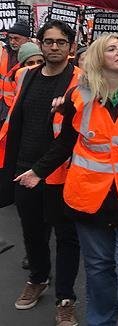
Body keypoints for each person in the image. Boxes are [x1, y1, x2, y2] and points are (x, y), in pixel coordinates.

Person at [16, 34, 118, 326]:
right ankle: (102, 321)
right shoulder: (80, 95)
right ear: (99, 57)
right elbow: (66, 143)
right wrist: (39, 171)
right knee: (98, 268)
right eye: (111, 49)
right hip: (89, 197)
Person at [2, 21, 81, 324]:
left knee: (66, 236)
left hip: (63, 171)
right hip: (25, 169)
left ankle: (65, 297)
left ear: (71, 47)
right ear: (41, 43)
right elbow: (15, 120)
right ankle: (38, 277)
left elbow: (77, 132)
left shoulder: (80, 80)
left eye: (61, 42)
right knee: (32, 231)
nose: (54, 47)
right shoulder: (26, 76)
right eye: (48, 42)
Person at [0, 20, 31, 116]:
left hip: (18, 104)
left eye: (17, 38)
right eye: (10, 38)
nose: (13, 42)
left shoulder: (33, 57)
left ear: (27, 39)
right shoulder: (4, 51)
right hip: (2, 102)